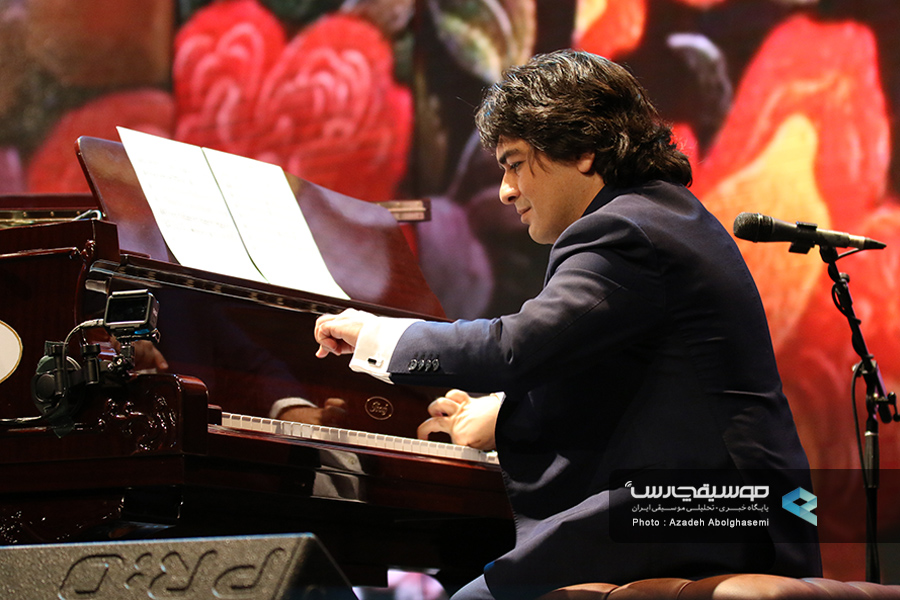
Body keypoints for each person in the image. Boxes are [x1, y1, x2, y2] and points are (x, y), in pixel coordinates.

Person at [313, 49, 822, 600]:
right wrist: (505, 416)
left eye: (514, 163)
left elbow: (515, 348)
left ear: (582, 150)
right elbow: (622, 379)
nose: (505, 190)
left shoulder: (622, 230)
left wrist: (376, 336)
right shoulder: (661, 214)